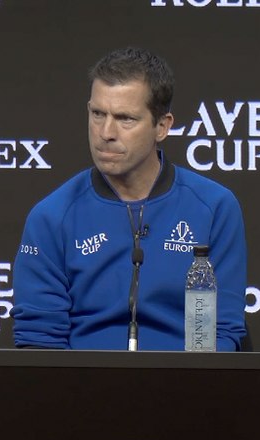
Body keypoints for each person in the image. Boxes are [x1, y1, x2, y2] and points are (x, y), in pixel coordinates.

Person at [13, 47, 247, 350]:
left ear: (162, 126)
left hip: (186, 389)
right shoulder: (51, 217)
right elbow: (39, 343)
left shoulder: (214, 207)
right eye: (97, 114)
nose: (105, 132)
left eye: (125, 119)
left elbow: (220, 334)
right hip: (81, 391)